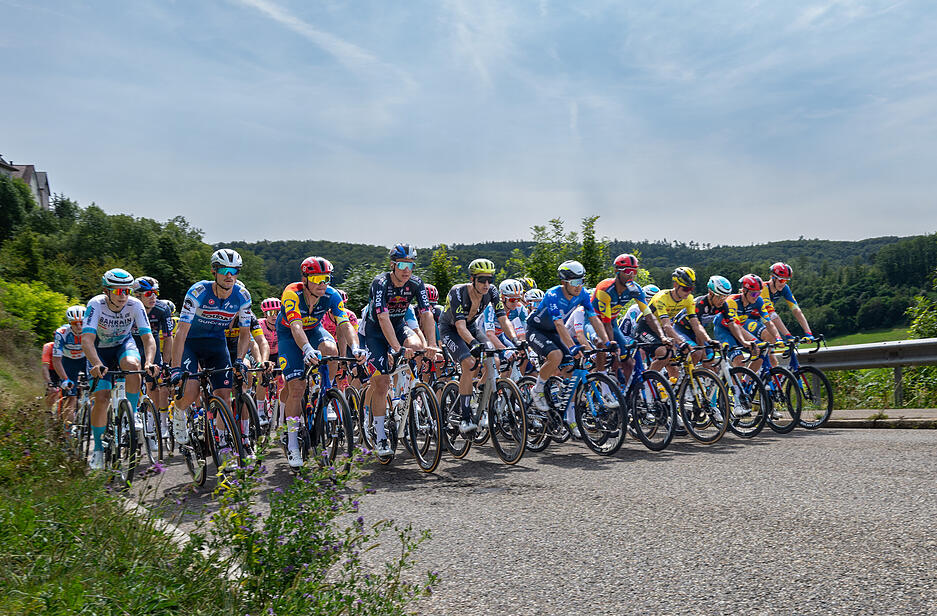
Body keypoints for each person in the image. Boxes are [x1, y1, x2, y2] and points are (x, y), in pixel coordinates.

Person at [276, 256, 365, 468]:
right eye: (316, 278)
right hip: (290, 334)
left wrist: (355, 347)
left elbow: (344, 324)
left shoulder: (331, 295)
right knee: (297, 387)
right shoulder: (292, 293)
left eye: (325, 278)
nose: (321, 283)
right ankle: (292, 443)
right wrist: (306, 349)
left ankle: (327, 390)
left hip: (314, 330)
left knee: (331, 349)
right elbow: (296, 326)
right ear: (305, 279)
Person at [169, 249, 253, 450]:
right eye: (224, 270)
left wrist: (240, 359)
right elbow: (180, 332)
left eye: (234, 270)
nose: (229, 275)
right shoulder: (198, 292)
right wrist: (175, 368)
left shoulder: (242, 296)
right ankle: (179, 412)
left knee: (224, 394)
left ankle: (222, 444)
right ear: (214, 271)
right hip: (191, 344)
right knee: (190, 392)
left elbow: (244, 333)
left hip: (216, 345)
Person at [361, 244, 438, 456]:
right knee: (382, 383)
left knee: (417, 346)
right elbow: (382, 317)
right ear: (393, 265)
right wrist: (396, 348)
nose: (407, 270)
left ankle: (406, 395)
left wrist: (432, 344)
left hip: (397, 325)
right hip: (375, 332)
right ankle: (380, 434)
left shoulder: (415, 283)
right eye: (403, 265)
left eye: (411, 265)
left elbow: (426, 314)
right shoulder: (381, 283)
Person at [81, 269, 157, 470]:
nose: (123, 295)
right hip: (99, 351)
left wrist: (149, 362)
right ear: (106, 291)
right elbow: (87, 340)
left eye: (127, 291)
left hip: (123, 345)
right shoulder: (96, 304)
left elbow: (148, 338)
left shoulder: (135, 304)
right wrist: (96, 363)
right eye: (117, 291)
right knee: (102, 398)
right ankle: (97, 449)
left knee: (134, 366)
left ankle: (131, 416)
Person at [525, 260, 610, 437]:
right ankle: (537, 389)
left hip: (554, 331)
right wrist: (572, 347)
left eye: (581, 281)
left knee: (572, 373)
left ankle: (570, 419)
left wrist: (607, 342)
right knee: (555, 355)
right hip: (537, 330)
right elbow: (559, 324)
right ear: (564, 282)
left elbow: (594, 319)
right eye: (575, 282)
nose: (579, 286)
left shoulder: (583, 294)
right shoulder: (552, 295)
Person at [438, 260, 519, 434]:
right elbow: (459, 327)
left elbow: (503, 319)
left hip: (472, 327)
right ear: (472, 279)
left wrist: (515, 340)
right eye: (482, 280)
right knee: (469, 364)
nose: (486, 284)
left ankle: (481, 392)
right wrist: (474, 344)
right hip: (451, 329)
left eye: (490, 279)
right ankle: (465, 416)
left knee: (494, 360)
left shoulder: (492, 291)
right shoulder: (458, 292)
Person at [131, 276, 174, 444]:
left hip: (152, 343)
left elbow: (168, 338)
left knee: (153, 384)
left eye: (155, 293)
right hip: (132, 342)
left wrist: (166, 363)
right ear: (138, 296)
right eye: (148, 293)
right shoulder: (129, 308)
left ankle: (151, 424)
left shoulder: (163, 309)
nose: (153, 297)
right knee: (131, 377)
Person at [51, 305, 86, 430]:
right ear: (69, 323)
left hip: (86, 359)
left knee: (99, 392)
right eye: (75, 323)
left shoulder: (92, 330)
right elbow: (56, 359)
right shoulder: (62, 333)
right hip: (69, 362)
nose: (79, 326)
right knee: (71, 397)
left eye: (82, 322)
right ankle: (68, 432)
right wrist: (64, 379)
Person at [762, 262, 815, 341]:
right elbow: (772, 315)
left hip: (763, 319)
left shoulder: (784, 288)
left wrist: (808, 333)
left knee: (778, 343)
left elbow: (796, 310)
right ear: (773, 277)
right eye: (782, 280)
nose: (783, 283)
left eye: (786, 280)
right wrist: (788, 336)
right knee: (771, 337)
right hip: (749, 319)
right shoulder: (763, 288)